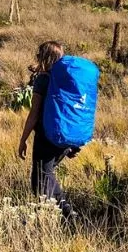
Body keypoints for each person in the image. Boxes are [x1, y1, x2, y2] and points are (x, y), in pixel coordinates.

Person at [17, 41, 84, 218]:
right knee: (48, 174)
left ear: (44, 57)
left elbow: (34, 113)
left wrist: (23, 139)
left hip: (47, 137)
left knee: (40, 179)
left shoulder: (44, 79)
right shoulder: (68, 80)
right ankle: (63, 213)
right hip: (66, 137)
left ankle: (65, 215)